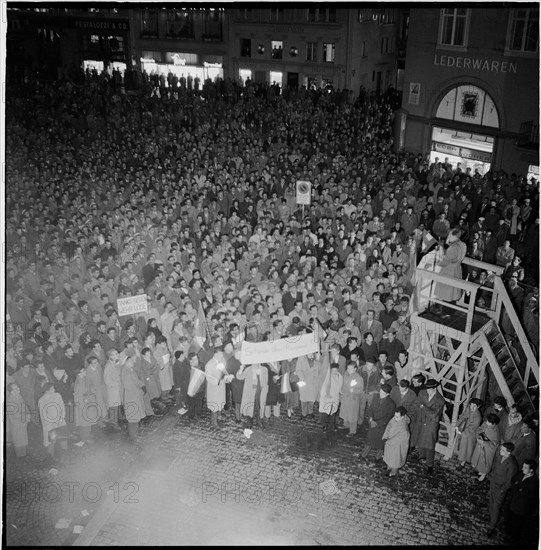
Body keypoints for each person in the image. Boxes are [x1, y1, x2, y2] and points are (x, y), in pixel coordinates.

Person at [410, 378, 445, 475]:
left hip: (431, 424)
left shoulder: (440, 400)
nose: (428, 391)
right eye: (427, 388)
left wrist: (423, 406)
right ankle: (422, 455)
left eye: (430, 389)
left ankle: (430, 465)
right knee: (420, 439)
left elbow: (434, 414)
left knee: (429, 445)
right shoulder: (422, 393)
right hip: (420, 421)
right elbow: (417, 403)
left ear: (435, 388)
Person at [486, 442, 519, 537]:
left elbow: (509, 481)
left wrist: (502, 490)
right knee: (491, 501)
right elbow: (495, 466)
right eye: (501, 449)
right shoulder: (500, 456)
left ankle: (492, 527)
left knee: (496, 506)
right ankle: (491, 516)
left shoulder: (512, 464)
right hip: (493, 483)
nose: (500, 451)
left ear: (508, 452)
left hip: (500, 488)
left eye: (503, 450)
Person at [504, 459, 539, 543]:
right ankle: (507, 534)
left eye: (525, 467)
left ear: (531, 470)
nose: (522, 468)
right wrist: (517, 487)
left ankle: (513, 539)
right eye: (523, 466)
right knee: (508, 519)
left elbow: (524, 495)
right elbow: (513, 480)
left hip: (520, 508)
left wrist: (517, 487)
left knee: (516, 525)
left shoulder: (533, 483)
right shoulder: (522, 473)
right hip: (512, 502)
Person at [433, 228, 467, 313]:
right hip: (457, 269)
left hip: (449, 270)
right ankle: (449, 311)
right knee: (453, 292)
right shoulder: (463, 245)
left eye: (449, 235)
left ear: (453, 236)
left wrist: (438, 263)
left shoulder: (452, 248)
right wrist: (448, 244)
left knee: (447, 292)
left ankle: (446, 312)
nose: (448, 236)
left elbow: (446, 261)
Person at [360, 383, 395, 461]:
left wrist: (377, 423)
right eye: (380, 392)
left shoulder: (391, 404)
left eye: (383, 393)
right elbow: (370, 409)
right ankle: (363, 454)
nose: (380, 394)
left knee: (380, 444)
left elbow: (388, 418)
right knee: (369, 441)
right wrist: (371, 419)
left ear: (388, 394)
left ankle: (377, 457)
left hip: (381, 427)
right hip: (372, 423)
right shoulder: (375, 397)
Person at [120, 353, 147, 440]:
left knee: (136, 414)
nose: (133, 362)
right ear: (126, 362)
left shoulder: (130, 369)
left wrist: (142, 385)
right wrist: (140, 390)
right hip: (131, 396)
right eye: (131, 360)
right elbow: (129, 386)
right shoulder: (125, 372)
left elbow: (136, 380)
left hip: (135, 394)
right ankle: (133, 434)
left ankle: (135, 432)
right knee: (133, 416)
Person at [38, 382, 67, 457]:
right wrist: (53, 421)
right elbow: (44, 414)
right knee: (52, 440)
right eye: (52, 388)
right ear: (47, 391)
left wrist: (61, 417)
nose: (54, 389)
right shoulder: (42, 401)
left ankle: (65, 451)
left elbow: (62, 406)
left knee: (63, 437)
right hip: (50, 424)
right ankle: (51, 455)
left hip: (60, 421)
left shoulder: (58, 395)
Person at [471, 413, 502, 482]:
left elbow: (495, 444)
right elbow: (480, 429)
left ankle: (483, 476)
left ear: (493, 424)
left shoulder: (496, 432)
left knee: (485, 464)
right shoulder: (485, 423)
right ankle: (478, 472)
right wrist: (478, 434)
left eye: (489, 422)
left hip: (487, 451)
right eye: (487, 420)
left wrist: (484, 443)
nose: (486, 422)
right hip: (480, 447)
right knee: (478, 461)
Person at [237, 362, 268, 429]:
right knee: (250, 407)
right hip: (250, 392)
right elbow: (240, 377)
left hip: (260, 392)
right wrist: (240, 369)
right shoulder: (248, 369)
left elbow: (266, 381)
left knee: (259, 407)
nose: (257, 363)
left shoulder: (264, 369)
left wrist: (265, 390)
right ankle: (249, 423)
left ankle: (259, 421)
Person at [455, 397, 483, 470]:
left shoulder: (478, 417)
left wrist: (461, 431)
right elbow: (462, 417)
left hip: (470, 434)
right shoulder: (468, 409)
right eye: (471, 405)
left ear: (478, 407)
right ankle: (461, 458)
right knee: (462, 447)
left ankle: (462, 463)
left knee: (466, 449)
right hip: (464, 431)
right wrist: (457, 425)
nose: (472, 407)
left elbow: (472, 428)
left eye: (474, 406)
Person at [382, 406, 411, 477]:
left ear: (403, 417)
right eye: (395, 416)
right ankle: (389, 467)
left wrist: (388, 441)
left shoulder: (404, 428)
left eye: (397, 417)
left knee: (395, 459)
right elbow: (389, 426)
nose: (395, 418)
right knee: (389, 456)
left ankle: (393, 472)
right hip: (390, 442)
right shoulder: (395, 418)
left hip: (397, 446)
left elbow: (400, 439)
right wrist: (386, 436)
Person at [339, 360, 365, 437]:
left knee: (352, 415)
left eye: (351, 368)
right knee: (345, 412)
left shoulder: (358, 378)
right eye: (348, 368)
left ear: (355, 369)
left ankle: (353, 430)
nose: (349, 370)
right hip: (345, 397)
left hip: (353, 399)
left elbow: (361, 390)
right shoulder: (346, 374)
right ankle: (346, 425)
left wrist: (353, 390)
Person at [6, 383, 29, 458]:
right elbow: (15, 414)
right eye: (16, 388)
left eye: (18, 387)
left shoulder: (19, 396)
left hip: (23, 422)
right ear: (11, 391)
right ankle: (20, 458)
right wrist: (24, 418)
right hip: (17, 424)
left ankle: (24, 455)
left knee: (24, 440)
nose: (18, 389)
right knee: (19, 441)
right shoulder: (9, 401)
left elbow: (24, 406)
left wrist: (27, 415)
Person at [318, 361, 343, 432]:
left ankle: (333, 425)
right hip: (327, 398)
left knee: (333, 412)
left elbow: (340, 387)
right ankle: (324, 426)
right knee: (325, 413)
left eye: (336, 370)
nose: (334, 371)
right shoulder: (327, 378)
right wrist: (325, 395)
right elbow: (323, 388)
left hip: (335, 398)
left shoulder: (340, 377)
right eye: (333, 370)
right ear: (330, 370)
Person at [103, 349, 123, 429]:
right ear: (110, 356)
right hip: (112, 390)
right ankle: (114, 423)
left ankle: (118, 418)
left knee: (117, 404)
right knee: (113, 406)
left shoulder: (116, 363)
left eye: (117, 353)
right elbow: (107, 381)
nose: (117, 354)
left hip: (117, 388)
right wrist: (117, 384)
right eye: (115, 354)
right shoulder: (108, 366)